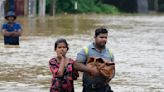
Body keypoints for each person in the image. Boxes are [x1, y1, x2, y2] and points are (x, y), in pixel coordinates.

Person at [75, 28, 115, 92]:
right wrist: (90, 70)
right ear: (95, 37)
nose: (104, 39)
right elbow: (76, 65)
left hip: (104, 88)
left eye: (105, 37)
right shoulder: (86, 50)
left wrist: (110, 76)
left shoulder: (109, 53)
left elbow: (113, 69)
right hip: (89, 88)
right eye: (101, 37)